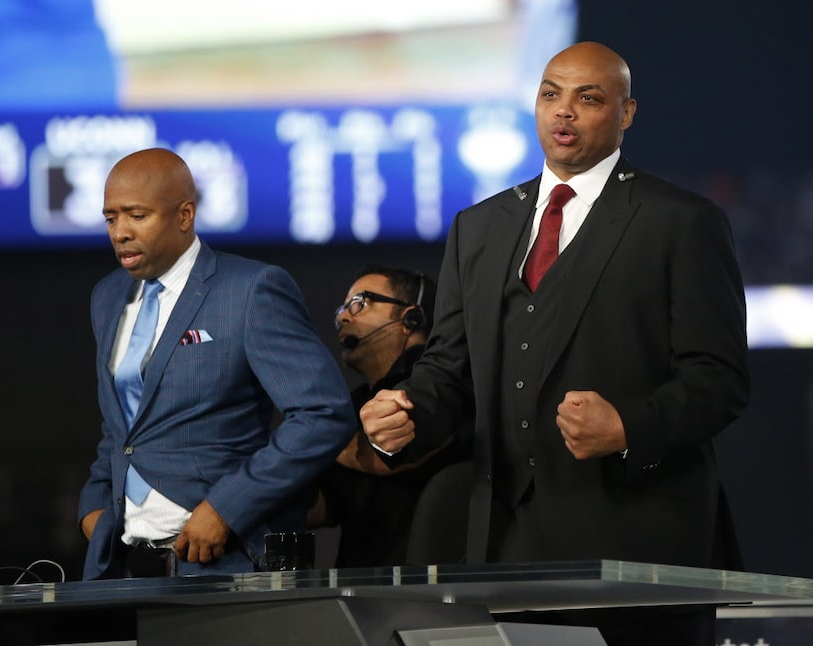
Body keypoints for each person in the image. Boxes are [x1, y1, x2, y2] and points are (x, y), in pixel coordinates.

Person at [359, 42, 750, 645]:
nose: (563, 112)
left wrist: (628, 425)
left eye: (588, 98)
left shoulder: (681, 221)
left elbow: (719, 379)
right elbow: (448, 370)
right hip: (503, 551)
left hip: (639, 548)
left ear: (626, 113)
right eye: (550, 94)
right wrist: (408, 412)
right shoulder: (479, 227)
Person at [77, 148, 356, 580]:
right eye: (111, 218)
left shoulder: (250, 290)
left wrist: (227, 507)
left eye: (136, 215)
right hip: (127, 568)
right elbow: (123, 426)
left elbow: (323, 413)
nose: (120, 232)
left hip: (226, 562)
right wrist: (93, 508)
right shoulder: (108, 296)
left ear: (184, 215)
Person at [309, 266, 469, 567]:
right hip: (358, 589)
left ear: (412, 318)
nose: (343, 317)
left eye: (360, 302)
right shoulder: (353, 404)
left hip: (431, 592)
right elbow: (322, 509)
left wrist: (308, 434)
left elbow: (393, 455)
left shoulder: (443, 391)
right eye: (343, 308)